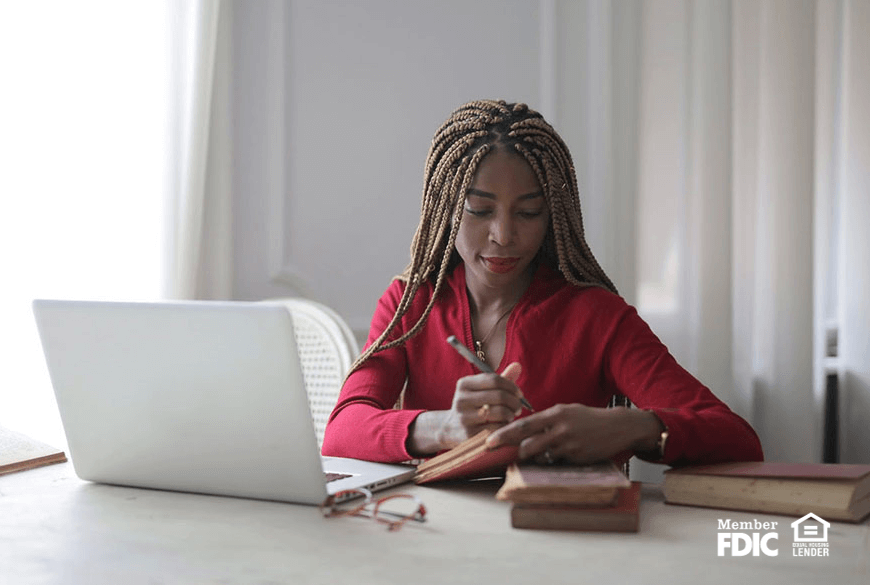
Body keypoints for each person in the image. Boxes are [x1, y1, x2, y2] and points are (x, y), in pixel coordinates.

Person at [321, 99, 763, 467]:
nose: (504, 235)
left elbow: (738, 439)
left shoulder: (596, 316)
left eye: (528, 212)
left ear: (553, 216)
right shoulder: (411, 305)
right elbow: (341, 432)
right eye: (480, 210)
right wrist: (442, 427)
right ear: (446, 209)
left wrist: (631, 427)